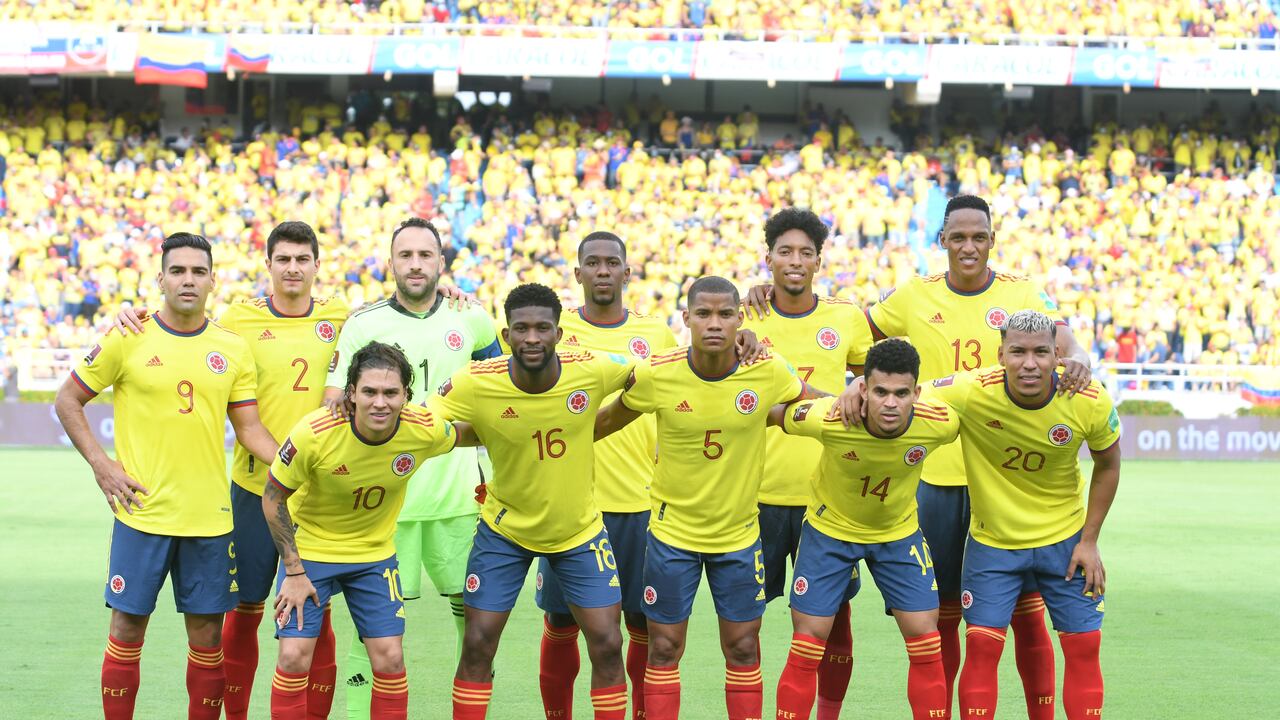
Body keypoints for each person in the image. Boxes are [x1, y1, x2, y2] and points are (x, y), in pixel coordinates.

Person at [844, 194, 1092, 717]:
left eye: (979, 236)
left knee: (1027, 614)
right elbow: (854, 335)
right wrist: (852, 384)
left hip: (1003, 479)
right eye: (958, 237)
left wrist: (1081, 357)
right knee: (944, 615)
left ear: (992, 240)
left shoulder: (1022, 293)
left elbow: (1063, 337)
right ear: (943, 241)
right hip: (934, 476)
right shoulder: (913, 295)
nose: (969, 246)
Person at [111, 220, 350, 719]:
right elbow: (181, 322)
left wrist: (451, 288)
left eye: (302, 259)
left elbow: (396, 318)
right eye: (282, 259)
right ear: (268, 265)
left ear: (316, 266)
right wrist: (128, 315)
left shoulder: (343, 317)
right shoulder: (237, 321)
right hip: (250, 487)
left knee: (316, 612)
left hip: (318, 491)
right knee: (244, 611)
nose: (292, 268)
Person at [53, 232, 279, 720]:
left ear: (212, 280)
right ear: (160, 279)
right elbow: (67, 399)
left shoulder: (232, 348)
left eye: (199, 271)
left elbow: (250, 430)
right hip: (142, 515)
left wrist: (296, 461)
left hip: (209, 521)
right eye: (178, 270)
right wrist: (102, 464)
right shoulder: (127, 335)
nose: (188, 280)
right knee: (127, 630)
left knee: (207, 639)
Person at [594, 276, 819, 720]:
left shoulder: (767, 370)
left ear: (740, 319)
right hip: (671, 534)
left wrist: (858, 398)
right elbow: (602, 424)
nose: (714, 323)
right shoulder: (659, 373)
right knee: (664, 646)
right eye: (703, 314)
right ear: (687, 320)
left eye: (724, 314)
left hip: (738, 536)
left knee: (742, 646)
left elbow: (814, 403)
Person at [894, 310, 1120, 720]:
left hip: (1065, 542)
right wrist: (858, 386)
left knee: (1084, 647)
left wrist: (1089, 541)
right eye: (1017, 352)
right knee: (982, 646)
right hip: (992, 545)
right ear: (1000, 355)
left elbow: (1109, 465)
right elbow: (905, 392)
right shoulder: (973, 390)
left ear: (1058, 356)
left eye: (1040, 352)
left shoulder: (1088, 399)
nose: (1028, 363)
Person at [323, 217, 501, 719]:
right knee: (369, 631)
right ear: (392, 263)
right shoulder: (364, 323)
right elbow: (334, 399)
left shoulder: (473, 319)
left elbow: (503, 391)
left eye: (426, 255)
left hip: (459, 499)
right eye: (406, 256)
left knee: (476, 624)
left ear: (441, 263)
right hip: (383, 506)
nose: (416, 264)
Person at [433, 283, 632, 720]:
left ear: (559, 334)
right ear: (506, 337)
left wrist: (737, 346)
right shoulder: (475, 381)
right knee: (478, 642)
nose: (532, 338)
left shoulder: (593, 368)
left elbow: (652, 374)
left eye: (543, 328)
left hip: (578, 530)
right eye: (521, 329)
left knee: (608, 643)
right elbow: (427, 420)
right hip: (505, 531)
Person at [263, 341, 469, 720]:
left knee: (390, 658)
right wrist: (292, 571)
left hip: (374, 555)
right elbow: (272, 498)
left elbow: (469, 433)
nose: (380, 402)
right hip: (310, 554)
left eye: (391, 393)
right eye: (369, 391)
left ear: (407, 396)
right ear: (351, 393)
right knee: (293, 657)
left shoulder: (422, 429)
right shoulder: (315, 432)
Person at [770, 338, 956, 720]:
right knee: (808, 642)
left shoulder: (940, 424)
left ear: (916, 393)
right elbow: (773, 412)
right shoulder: (830, 417)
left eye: (902, 393)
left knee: (926, 640)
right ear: (864, 389)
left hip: (898, 533)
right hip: (830, 531)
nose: (891, 403)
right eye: (880, 392)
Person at [534, 231, 677, 720]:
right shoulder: (554, 330)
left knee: (640, 622)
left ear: (626, 272)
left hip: (640, 503)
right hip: (569, 506)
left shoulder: (656, 336)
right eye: (591, 263)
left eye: (611, 262)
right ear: (577, 274)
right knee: (560, 621)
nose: (601, 270)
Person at [741, 208, 874, 720]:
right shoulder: (741, 314)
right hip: (754, 495)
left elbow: (871, 387)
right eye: (784, 251)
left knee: (832, 621)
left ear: (819, 260)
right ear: (768, 257)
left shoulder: (845, 316)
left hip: (828, 497)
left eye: (805, 253)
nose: (794, 261)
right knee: (745, 622)